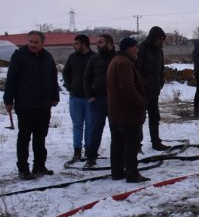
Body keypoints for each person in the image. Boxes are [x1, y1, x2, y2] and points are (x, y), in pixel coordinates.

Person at [3, 31, 60, 179]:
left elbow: (53, 78)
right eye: (31, 42)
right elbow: (11, 79)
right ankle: (23, 169)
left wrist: (54, 96)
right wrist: (8, 100)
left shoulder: (47, 57)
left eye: (36, 42)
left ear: (42, 43)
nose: (33, 45)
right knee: (24, 137)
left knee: (40, 136)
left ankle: (39, 166)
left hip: (43, 104)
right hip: (25, 104)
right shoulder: (19, 56)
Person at [107, 37, 148, 183]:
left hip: (116, 112)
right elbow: (127, 88)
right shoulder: (124, 63)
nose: (137, 50)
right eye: (135, 47)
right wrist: (141, 102)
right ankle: (132, 174)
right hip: (127, 113)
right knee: (131, 144)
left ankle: (117, 172)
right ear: (128, 48)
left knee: (117, 144)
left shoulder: (115, 61)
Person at [83, 34, 116, 168]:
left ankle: (118, 157)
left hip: (115, 101)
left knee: (117, 130)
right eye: (97, 43)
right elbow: (86, 78)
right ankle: (91, 157)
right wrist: (90, 96)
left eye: (100, 42)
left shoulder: (118, 58)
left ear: (109, 43)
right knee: (95, 130)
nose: (97, 45)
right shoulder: (94, 59)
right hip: (98, 101)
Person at [62, 34, 95, 161]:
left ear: (84, 44)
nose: (74, 46)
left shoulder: (94, 58)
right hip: (75, 97)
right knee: (77, 125)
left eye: (77, 43)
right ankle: (77, 151)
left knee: (90, 125)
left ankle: (89, 150)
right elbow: (65, 72)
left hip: (90, 98)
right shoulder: (72, 57)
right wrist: (70, 86)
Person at [135, 26, 169, 151]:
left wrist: (161, 82)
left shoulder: (159, 50)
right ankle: (137, 145)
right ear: (153, 38)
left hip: (154, 90)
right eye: (159, 39)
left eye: (162, 39)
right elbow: (137, 69)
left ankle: (156, 142)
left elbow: (161, 69)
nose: (161, 42)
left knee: (155, 118)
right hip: (143, 91)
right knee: (140, 119)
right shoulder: (142, 49)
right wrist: (143, 85)